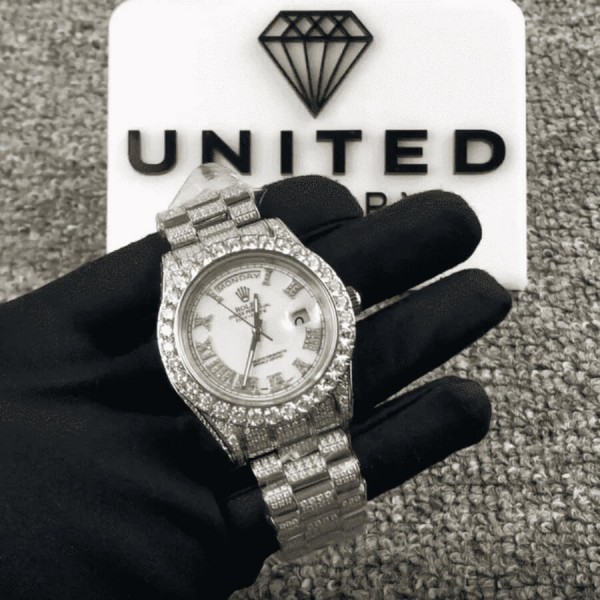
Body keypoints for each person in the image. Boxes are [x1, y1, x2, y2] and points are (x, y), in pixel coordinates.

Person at [0, 175, 511, 599]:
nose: (257, 330)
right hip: (233, 403)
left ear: (344, 300)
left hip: (305, 377)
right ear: (177, 346)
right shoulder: (179, 338)